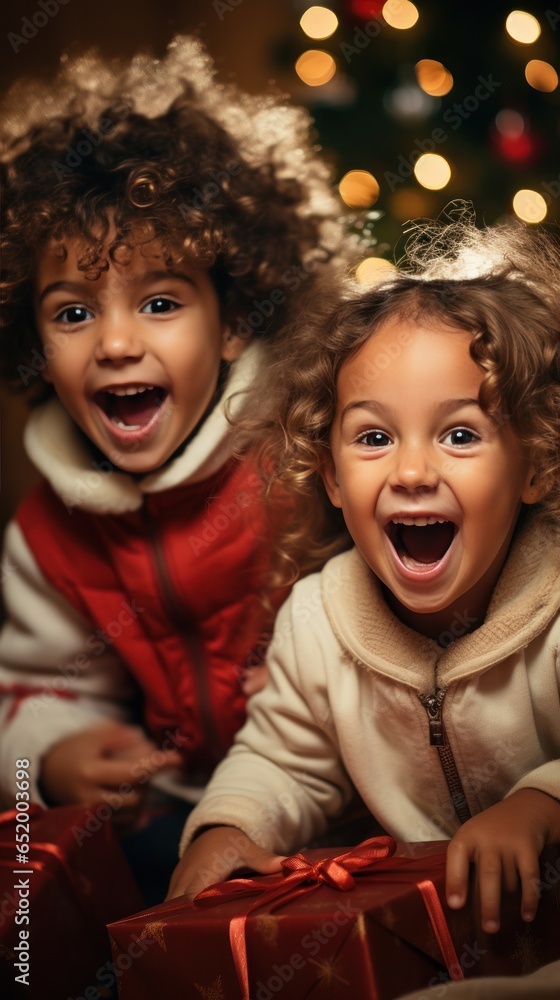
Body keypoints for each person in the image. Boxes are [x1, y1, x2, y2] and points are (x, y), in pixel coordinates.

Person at [0, 36, 351, 881]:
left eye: (160, 302)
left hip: (348, 800)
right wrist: (50, 754)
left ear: (231, 322)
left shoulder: (305, 458)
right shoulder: (48, 531)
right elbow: (26, 690)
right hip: (182, 811)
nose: (116, 343)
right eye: (73, 313)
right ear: (34, 343)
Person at [169, 214, 560, 938]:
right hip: (430, 933)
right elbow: (282, 760)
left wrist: (538, 807)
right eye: (374, 438)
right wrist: (226, 827)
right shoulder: (319, 620)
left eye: (460, 434)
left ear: (535, 463)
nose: (412, 472)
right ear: (333, 478)